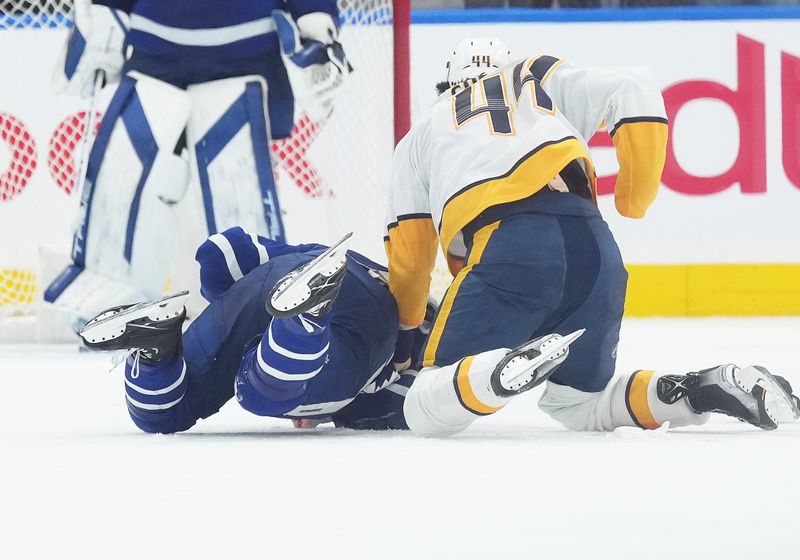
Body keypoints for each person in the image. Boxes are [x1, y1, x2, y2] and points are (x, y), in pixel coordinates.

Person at [384, 38, 800, 437]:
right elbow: (632, 86)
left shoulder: (419, 135)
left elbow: (411, 259)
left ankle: (496, 369)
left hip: (509, 247)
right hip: (595, 247)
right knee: (580, 404)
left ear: (447, 82)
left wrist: (404, 340)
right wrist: (634, 197)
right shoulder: (534, 77)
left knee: (421, 405)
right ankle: (698, 390)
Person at [44, 0, 350, 325]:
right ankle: (108, 297)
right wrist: (106, 11)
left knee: (236, 189)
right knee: (125, 175)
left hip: (244, 58)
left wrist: (316, 25)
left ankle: (254, 303)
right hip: (155, 55)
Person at [78, 226, 427, 433]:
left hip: (275, 280)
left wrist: (224, 302)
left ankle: (155, 350)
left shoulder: (319, 257)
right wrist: (327, 407)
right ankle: (303, 322)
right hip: (364, 320)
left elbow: (222, 250)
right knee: (261, 393)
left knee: (165, 416)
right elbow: (418, 405)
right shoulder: (424, 348)